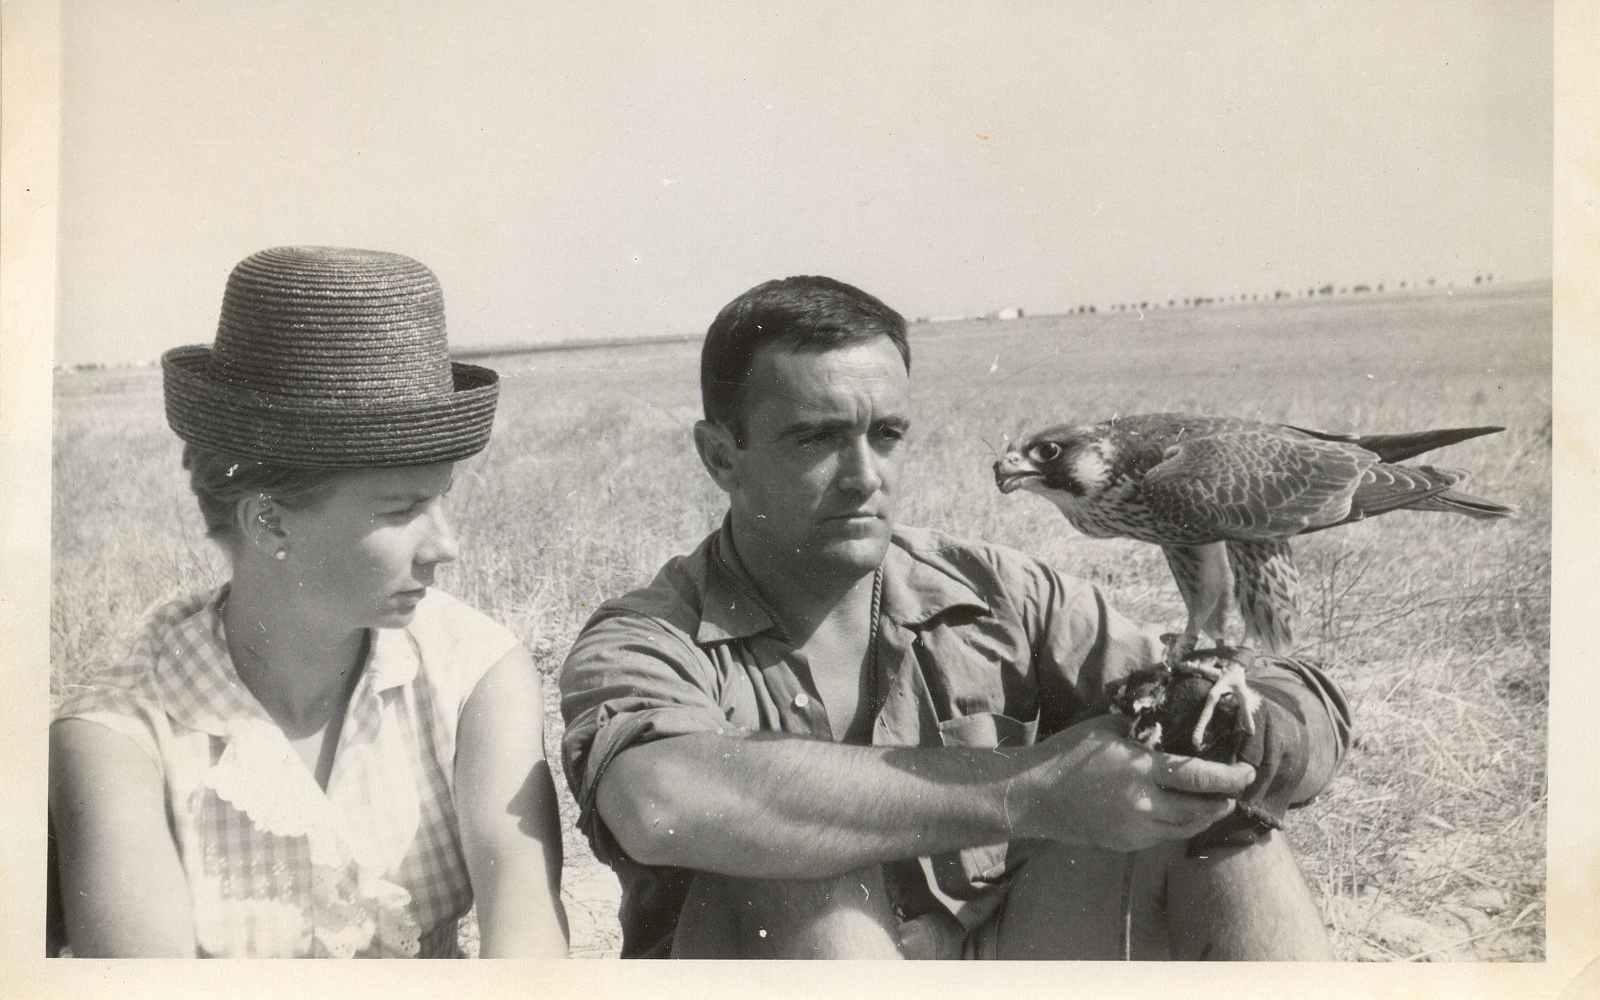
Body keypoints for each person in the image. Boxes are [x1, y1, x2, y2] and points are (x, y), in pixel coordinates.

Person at [559, 275, 1352, 960]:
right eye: (816, 439)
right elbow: (658, 800)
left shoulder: (998, 592)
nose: (864, 475)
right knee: (798, 869)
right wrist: (1030, 791)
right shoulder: (649, 635)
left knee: (1224, 833)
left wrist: (1237, 732)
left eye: (886, 434)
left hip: (996, 951)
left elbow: (1303, 704)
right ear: (720, 456)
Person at [49, 246, 569, 958]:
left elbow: (528, 955)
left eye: (440, 498)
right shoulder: (119, 735)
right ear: (269, 520)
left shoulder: (475, 674)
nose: (444, 545)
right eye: (401, 509)